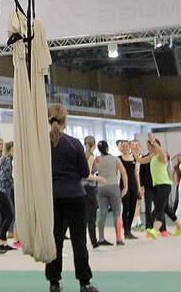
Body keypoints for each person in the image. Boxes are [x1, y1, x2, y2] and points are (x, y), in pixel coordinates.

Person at [45, 104, 98, 292]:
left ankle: (54, 283)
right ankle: (84, 283)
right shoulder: (74, 143)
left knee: (55, 241)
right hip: (75, 196)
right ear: (65, 121)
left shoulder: (42, 145)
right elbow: (85, 172)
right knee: (79, 241)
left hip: (53, 196)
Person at [92, 141, 128, 246]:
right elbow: (123, 172)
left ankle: (101, 238)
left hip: (101, 187)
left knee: (102, 213)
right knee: (117, 213)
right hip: (113, 186)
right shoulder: (115, 159)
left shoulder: (97, 159)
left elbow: (93, 170)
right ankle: (118, 238)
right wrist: (125, 186)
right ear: (107, 148)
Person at [143, 138, 173, 239]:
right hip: (153, 186)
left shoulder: (162, 155)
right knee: (159, 209)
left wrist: (153, 141)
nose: (148, 148)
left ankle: (158, 230)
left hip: (163, 185)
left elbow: (162, 154)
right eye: (147, 146)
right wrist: (135, 152)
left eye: (150, 146)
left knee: (160, 209)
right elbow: (141, 162)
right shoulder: (150, 156)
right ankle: (153, 230)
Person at [0, 141, 15, 249]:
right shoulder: (7, 159)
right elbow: (4, 176)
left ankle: (3, 241)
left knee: (5, 216)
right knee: (9, 216)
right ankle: (1, 239)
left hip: (0, 189)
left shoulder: (4, 158)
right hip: (2, 190)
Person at [82, 135, 101, 248]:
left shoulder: (83, 155)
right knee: (91, 217)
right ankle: (94, 242)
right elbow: (87, 174)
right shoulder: (90, 156)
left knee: (84, 217)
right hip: (89, 188)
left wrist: (95, 164)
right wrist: (100, 179)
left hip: (82, 188)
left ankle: (85, 242)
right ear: (94, 145)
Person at [118, 140, 139, 240]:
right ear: (120, 148)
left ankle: (129, 230)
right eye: (123, 146)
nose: (125, 148)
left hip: (133, 185)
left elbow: (136, 174)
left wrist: (138, 187)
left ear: (129, 147)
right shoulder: (119, 159)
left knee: (132, 208)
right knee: (125, 208)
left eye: (127, 146)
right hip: (123, 186)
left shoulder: (134, 158)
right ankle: (125, 231)